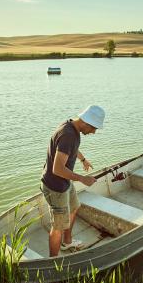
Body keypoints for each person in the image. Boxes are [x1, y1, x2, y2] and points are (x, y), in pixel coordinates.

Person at [41, 105, 105, 257]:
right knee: (58, 225)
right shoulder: (68, 134)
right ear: (86, 122)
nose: (94, 132)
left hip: (65, 183)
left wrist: (83, 159)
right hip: (55, 186)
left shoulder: (72, 127)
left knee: (75, 206)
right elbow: (57, 169)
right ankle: (53, 262)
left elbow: (70, 149)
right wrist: (82, 179)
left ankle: (67, 242)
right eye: (94, 128)